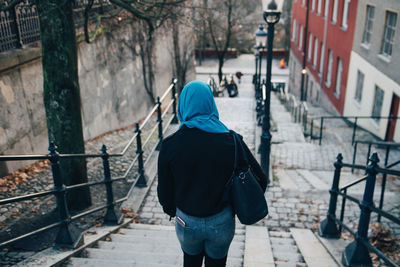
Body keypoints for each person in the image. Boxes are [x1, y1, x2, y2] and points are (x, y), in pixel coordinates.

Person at [157, 80, 267, 267]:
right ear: (210, 103)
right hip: (221, 221)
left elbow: (164, 192)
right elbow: (260, 180)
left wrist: (172, 210)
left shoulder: (170, 145)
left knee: (190, 262)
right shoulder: (232, 141)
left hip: (187, 221)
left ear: (183, 105)